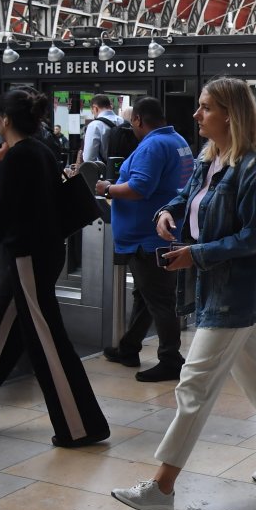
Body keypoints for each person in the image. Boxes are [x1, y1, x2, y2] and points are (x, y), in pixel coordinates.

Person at [111, 78, 256, 510]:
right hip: (214, 288)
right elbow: (187, 197)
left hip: (234, 294)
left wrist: (195, 254)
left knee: (193, 385)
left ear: (230, 114)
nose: (197, 115)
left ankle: (163, 486)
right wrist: (168, 212)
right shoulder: (212, 158)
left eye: (205, 108)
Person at [0, 87, 110, 447]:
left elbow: (0, 223)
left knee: (47, 340)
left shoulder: (20, 156)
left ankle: (80, 426)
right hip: (39, 255)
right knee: (0, 337)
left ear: (5, 120)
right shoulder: (41, 150)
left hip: (28, 258)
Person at [94, 97, 194, 382]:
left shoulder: (152, 145)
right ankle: (129, 347)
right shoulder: (177, 140)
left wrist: (108, 188)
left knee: (159, 299)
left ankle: (171, 358)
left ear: (138, 119)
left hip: (148, 237)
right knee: (147, 295)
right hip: (160, 232)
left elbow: (139, 187)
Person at [79, 94, 123, 164]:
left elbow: (89, 158)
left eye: (92, 111)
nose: (93, 113)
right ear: (109, 105)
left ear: (95, 108)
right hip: (124, 168)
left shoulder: (95, 125)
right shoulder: (122, 121)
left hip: (105, 170)